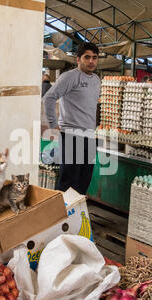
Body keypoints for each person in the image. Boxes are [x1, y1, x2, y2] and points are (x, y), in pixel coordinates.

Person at [42, 42, 101, 195]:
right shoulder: (69, 77)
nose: (91, 61)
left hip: (88, 136)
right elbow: (49, 98)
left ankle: (76, 216)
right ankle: (60, 217)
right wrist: (53, 124)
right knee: (68, 182)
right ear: (78, 59)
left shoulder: (96, 80)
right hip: (71, 136)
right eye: (87, 57)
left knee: (84, 180)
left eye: (94, 58)